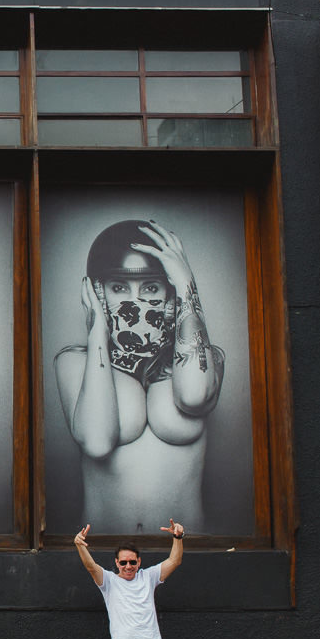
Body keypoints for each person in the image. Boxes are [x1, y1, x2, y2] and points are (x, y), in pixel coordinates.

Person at [54, 220, 224, 534]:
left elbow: (194, 396)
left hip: (187, 550)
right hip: (104, 552)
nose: (135, 301)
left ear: (169, 294)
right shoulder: (73, 362)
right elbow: (97, 441)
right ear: (98, 292)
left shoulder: (208, 357)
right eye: (119, 288)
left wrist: (186, 283)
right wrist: (97, 331)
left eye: (151, 288)